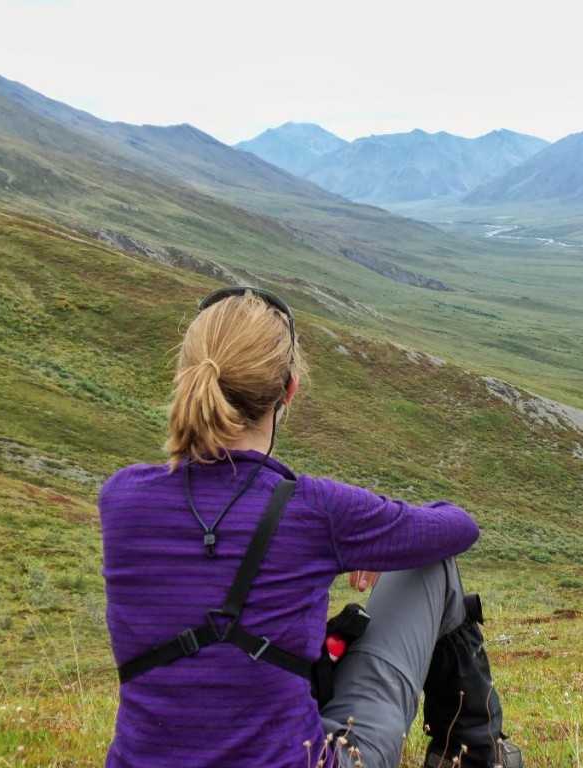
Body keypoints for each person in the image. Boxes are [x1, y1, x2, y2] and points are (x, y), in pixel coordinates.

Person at [99, 287, 523, 768]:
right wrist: (376, 545)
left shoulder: (121, 498)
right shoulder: (315, 508)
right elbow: (458, 527)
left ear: (185, 378)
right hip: (295, 759)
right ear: (289, 392)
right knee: (432, 566)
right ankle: (476, 753)